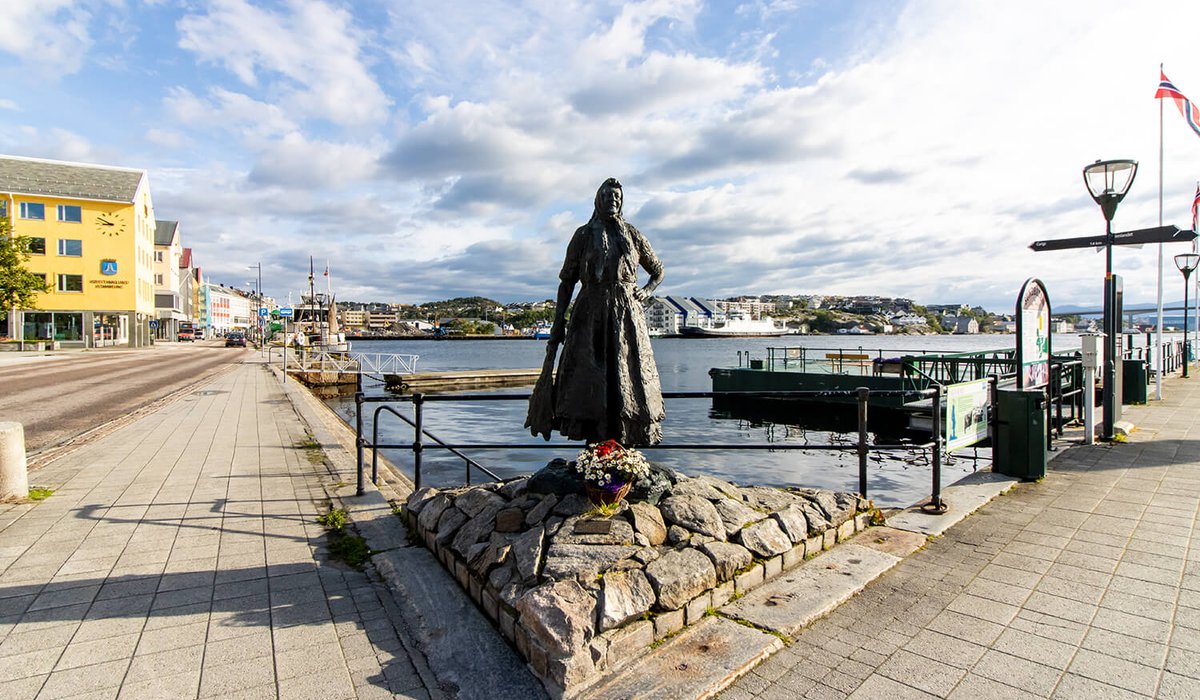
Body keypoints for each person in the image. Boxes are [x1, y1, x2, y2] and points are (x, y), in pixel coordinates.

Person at [526, 178, 665, 446]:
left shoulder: (633, 235)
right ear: (597, 200)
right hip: (589, 314)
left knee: (626, 372)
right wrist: (558, 322)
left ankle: (623, 442)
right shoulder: (582, 236)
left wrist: (646, 291)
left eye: (617, 197)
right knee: (589, 375)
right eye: (607, 196)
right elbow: (567, 281)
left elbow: (658, 270)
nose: (612, 200)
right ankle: (595, 442)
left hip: (626, 316)